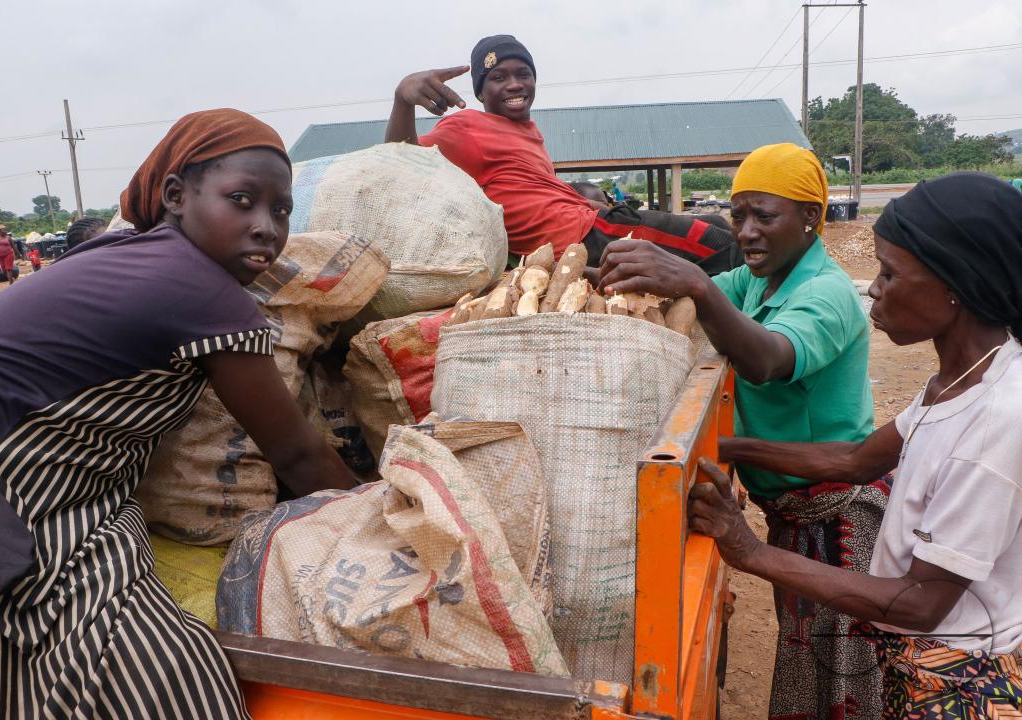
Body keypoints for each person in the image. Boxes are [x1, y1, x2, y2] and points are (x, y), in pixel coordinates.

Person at [0, 108, 357, 719]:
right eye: (241, 200)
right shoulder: (201, 291)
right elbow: (295, 453)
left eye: (281, 210)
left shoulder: (133, 252)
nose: (265, 227)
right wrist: (374, 517)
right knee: (161, 669)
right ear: (174, 196)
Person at [688, 172, 1022, 718]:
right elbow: (855, 459)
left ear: (955, 285)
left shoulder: (998, 419)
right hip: (920, 658)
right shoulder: (960, 380)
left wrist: (748, 551)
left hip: (960, 680)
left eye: (890, 274)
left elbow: (920, 603)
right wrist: (725, 447)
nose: (873, 287)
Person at [598, 143, 887, 719]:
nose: (748, 232)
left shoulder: (823, 294)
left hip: (839, 514)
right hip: (794, 510)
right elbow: (686, 294)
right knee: (810, 659)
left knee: (845, 673)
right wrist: (588, 272)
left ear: (811, 218)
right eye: (739, 216)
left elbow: (767, 359)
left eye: (765, 216)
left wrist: (699, 286)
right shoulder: (760, 282)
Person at [385, 35, 739, 273]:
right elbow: (402, 164)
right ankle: (763, 333)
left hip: (595, 222)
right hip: (579, 240)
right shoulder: (467, 128)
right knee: (719, 244)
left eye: (523, 73)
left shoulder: (529, 133)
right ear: (479, 93)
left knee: (718, 223)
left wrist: (591, 204)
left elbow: (538, 191)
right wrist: (403, 99)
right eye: (497, 77)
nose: (514, 84)